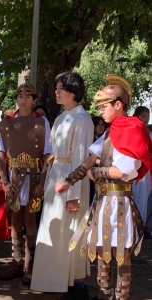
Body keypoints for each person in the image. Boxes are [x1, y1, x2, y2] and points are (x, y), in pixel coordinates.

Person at [55, 74, 151, 300]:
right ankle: (106, 296)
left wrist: (95, 173)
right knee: (102, 255)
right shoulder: (110, 131)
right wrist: (70, 180)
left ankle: (122, 298)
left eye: (104, 105)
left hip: (119, 203)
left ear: (119, 104)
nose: (100, 110)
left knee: (121, 255)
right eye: (98, 106)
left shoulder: (131, 129)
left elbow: (121, 172)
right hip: (102, 202)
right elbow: (91, 158)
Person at [31, 71, 93, 299]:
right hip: (55, 176)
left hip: (70, 179)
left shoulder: (82, 120)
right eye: (56, 88)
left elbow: (80, 158)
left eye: (61, 88)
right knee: (53, 229)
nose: (56, 92)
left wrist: (74, 194)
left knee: (70, 230)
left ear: (73, 92)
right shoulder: (60, 117)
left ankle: (76, 283)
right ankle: (53, 278)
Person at [0, 79, 52, 285]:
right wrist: (4, 182)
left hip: (34, 177)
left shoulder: (42, 122)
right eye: (20, 96)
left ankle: (32, 266)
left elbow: (48, 154)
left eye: (27, 97)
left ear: (34, 100)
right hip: (14, 178)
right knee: (15, 220)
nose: (23, 100)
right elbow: (1, 154)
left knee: (30, 220)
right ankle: (16, 263)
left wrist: (42, 182)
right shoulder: (7, 122)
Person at [132, 106, 152, 227]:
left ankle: (141, 224)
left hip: (146, 169)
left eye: (147, 116)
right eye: (143, 116)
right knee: (134, 194)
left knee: (144, 197)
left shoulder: (149, 133)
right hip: (134, 168)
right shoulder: (133, 130)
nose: (145, 119)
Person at [90, 117, 105, 204]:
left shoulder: (103, 139)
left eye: (102, 125)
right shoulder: (91, 140)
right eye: (98, 125)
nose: (101, 127)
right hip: (92, 173)